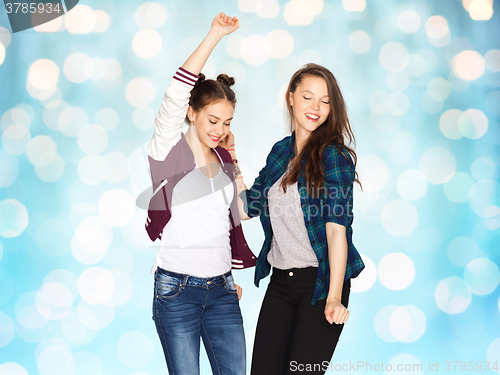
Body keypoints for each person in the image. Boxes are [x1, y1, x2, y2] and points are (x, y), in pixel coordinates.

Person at [145, 13, 256, 375]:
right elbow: (176, 91)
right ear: (191, 113)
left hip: (223, 291)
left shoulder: (224, 159)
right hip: (177, 291)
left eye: (226, 122)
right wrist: (215, 34)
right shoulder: (168, 150)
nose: (219, 130)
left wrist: (235, 156)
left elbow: (245, 209)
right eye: (213, 120)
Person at [236, 63, 365, 375]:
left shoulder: (334, 157)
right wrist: (231, 160)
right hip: (281, 282)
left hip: (320, 283)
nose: (315, 108)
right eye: (308, 97)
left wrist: (334, 297)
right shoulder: (280, 152)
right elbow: (246, 208)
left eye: (325, 101)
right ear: (291, 97)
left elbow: (337, 232)